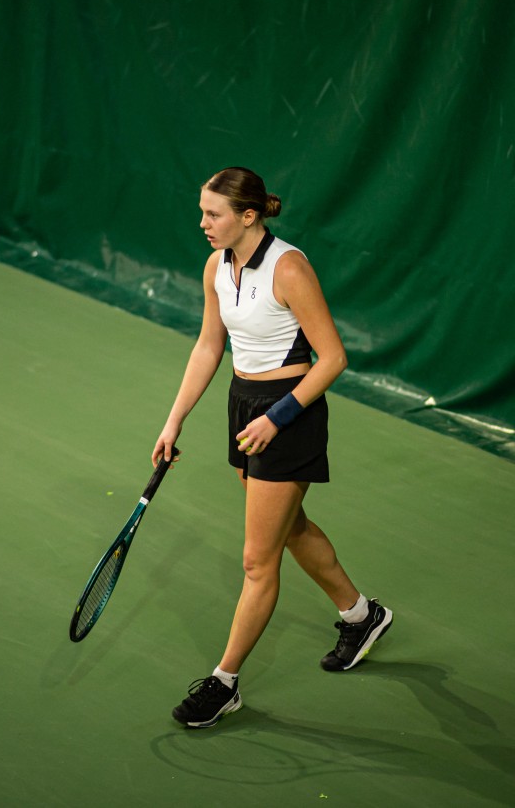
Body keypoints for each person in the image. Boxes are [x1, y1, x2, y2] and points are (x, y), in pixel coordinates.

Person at [152, 167, 392, 728]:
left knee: (257, 561)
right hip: (244, 406)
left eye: (213, 213)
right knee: (290, 527)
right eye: (203, 211)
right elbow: (209, 345)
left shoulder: (289, 268)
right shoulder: (217, 265)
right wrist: (173, 421)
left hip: (289, 413)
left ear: (248, 215)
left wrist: (277, 419)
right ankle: (361, 616)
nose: (203, 223)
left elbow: (333, 358)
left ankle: (224, 681)